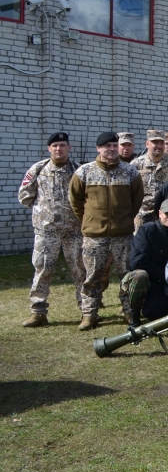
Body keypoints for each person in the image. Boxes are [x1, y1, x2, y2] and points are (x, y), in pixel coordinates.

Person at [69, 131, 144, 330]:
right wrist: (88, 220)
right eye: (107, 146)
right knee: (92, 276)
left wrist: (126, 219)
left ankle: (130, 312)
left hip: (123, 235)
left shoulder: (130, 172)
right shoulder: (84, 172)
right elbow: (75, 201)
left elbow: (137, 200)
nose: (111, 149)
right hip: (94, 236)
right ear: (98, 148)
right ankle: (89, 314)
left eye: (114, 145)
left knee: (127, 275)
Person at [19, 131, 86, 327]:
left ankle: (87, 311)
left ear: (69, 148)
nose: (59, 149)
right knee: (42, 270)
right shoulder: (38, 169)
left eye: (62, 145)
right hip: (46, 231)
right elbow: (25, 196)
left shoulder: (79, 170)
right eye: (55, 146)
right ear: (49, 148)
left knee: (80, 270)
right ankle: (38, 312)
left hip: (74, 231)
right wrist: (44, 210)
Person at [123, 198, 168, 323]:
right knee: (139, 276)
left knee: (163, 314)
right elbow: (137, 261)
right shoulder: (147, 230)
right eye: (167, 213)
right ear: (160, 214)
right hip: (153, 280)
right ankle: (134, 316)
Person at [131, 129, 168, 231]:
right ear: (147, 144)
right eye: (155, 142)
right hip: (141, 216)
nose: (159, 146)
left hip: (165, 216)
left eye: (161, 143)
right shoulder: (136, 165)